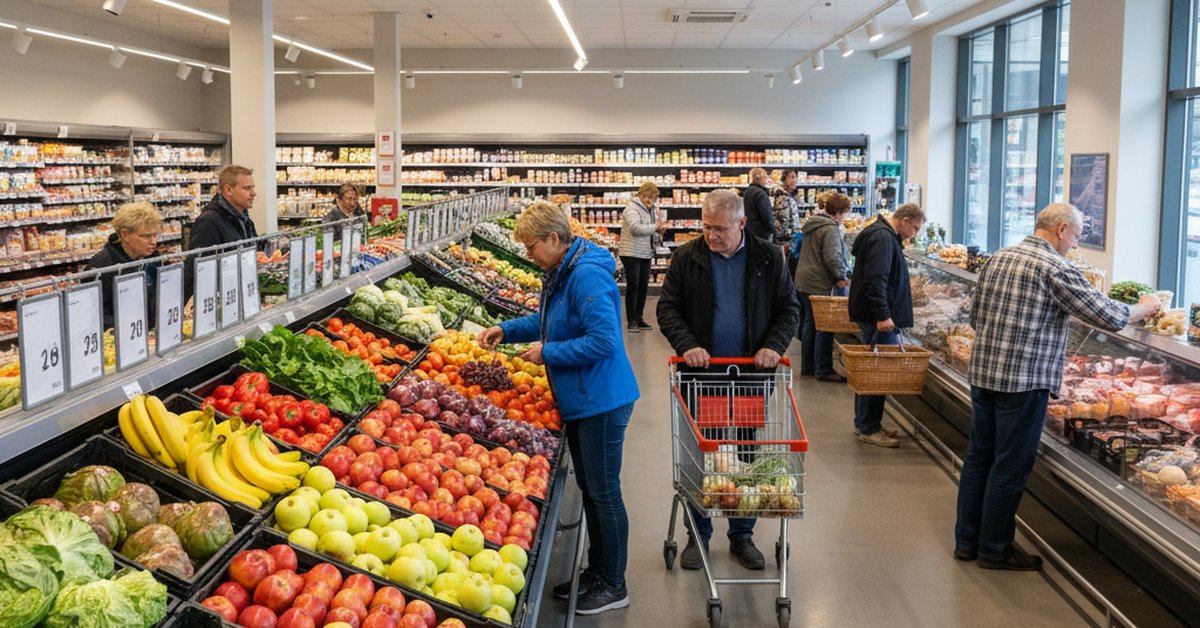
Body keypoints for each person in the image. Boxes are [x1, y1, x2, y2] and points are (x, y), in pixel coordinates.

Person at [954, 203, 1160, 570]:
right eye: (1077, 237)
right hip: (1024, 381)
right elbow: (1109, 316)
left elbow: (975, 315)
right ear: (1062, 229)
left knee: (979, 457)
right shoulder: (1055, 267)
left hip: (984, 373)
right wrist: (1146, 307)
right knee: (1010, 466)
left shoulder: (1001, 256)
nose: (1076, 245)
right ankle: (994, 549)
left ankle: (966, 542)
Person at [476, 201, 639, 616]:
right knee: (592, 490)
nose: (529, 256)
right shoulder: (562, 270)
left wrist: (548, 353)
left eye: (531, 248)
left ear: (553, 238)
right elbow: (552, 320)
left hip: (601, 400)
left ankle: (612, 582)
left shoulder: (585, 275)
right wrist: (506, 329)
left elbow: (606, 342)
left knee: (603, 494)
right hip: (584, 399)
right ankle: (599, 571)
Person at [657, 188, 800, 571]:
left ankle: (742, 535)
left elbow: (789, 309)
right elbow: (667, 308)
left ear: (742, 223)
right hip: (702, 378)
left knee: (747, 458)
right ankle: (698, 536)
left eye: (719, 228)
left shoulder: (768, 257)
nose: (711, 235)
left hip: (751, 376)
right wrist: (688, 346)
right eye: (706, 226)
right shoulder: (687, 257)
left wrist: (773, 346)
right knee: (701, 456)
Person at [847, 203, 926, 448]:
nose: (915, 233)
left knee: (873, 373)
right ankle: (868, 428)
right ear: (904, 220)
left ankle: (868, 423)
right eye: (915, 227)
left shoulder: (882, 235)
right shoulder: (883, 238)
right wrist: (882, 315)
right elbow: (875, 280)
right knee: (876, 374)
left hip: (877, 317)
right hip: (878, 320)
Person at [794, 192, 853, 381]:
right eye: (845, 214)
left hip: (804, 280)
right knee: (824, 326)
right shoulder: (830, 229)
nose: (845, 218)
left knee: (810, 323)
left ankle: (808, 366)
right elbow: (833, 256)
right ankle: (823, 369)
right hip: (818, 282)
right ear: (839, 212)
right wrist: (842, 276)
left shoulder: (814, 224)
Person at [86, 202, 162, 329]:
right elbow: (93, 314)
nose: (153, 242)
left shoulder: (153, 258)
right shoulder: (101, 266)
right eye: (146, 236)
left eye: (155, 235)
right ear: (125, 235)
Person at [618, 182, 666, 332]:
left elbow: (647, 229)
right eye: (652, 197)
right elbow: (635, 228)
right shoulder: (631, 208)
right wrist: (655, 228)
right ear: (644, 195)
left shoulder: (648, 209)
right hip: (631, 252)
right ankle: (631, 320)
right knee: (634, 287)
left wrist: (657, 233)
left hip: (644, 252)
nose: (654, 201)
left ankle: (639, 318)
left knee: (643, 287)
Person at [188, 164, 258, 251]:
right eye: (247, 188)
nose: (253, 193)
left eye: (253, 188)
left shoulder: (244, 218)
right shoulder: (208, 222)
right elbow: (201, 262)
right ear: (228, 190)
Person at [772, 169, 804, 276]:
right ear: (784, 179)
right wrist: (790, 236)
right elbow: (782, 221)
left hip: (788, 240)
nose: (795, 180)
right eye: (792, 177)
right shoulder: (783, 198)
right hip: (786, 242)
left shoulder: (787, 196)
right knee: (786, 272)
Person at [742, 167, 774, 242]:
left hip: (748, 231)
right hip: (760, 234)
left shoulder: (747, 192)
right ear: (757, 177)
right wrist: (772, 230)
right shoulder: (760, 194)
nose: (766, 180)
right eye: (765, 177)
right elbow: (766, 215)